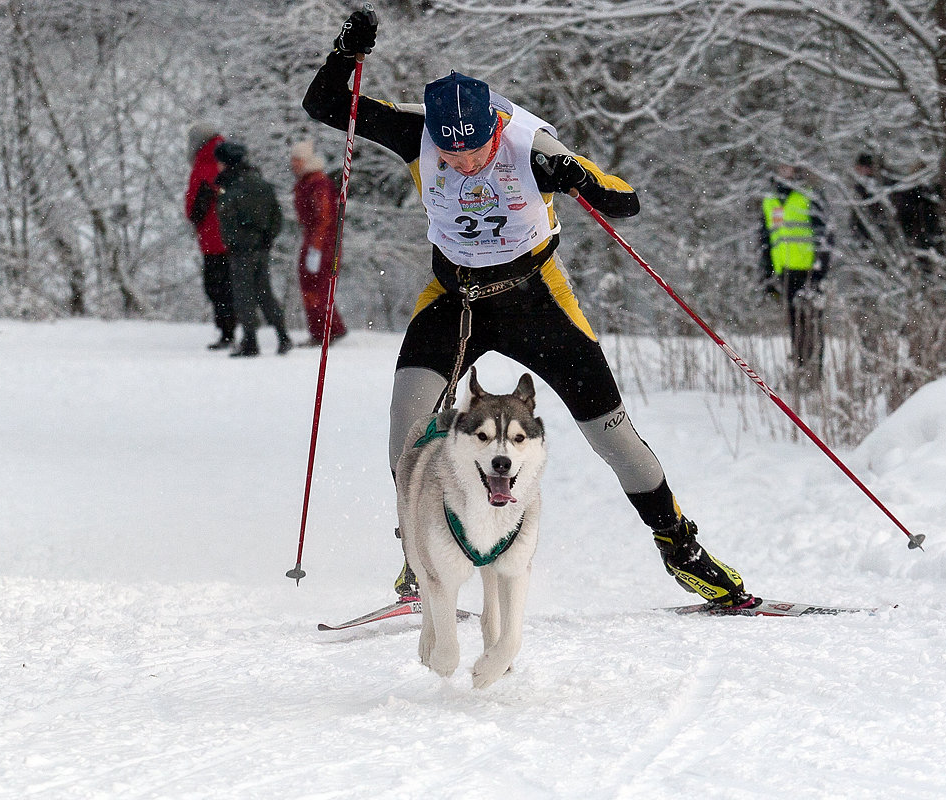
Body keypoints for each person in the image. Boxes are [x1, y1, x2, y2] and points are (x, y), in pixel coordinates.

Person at [302, 10, 751, 607]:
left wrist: (572, 176)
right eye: (451, 152)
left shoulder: (528, 143)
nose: (464, 162)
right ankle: (418, 558)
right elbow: (326, 103)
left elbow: (625, 201)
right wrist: (345, 54)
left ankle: (682, 549)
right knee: (407, 431)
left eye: (476, 149)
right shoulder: (418, 131)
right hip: (453, 300)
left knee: (612, 438)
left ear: (495, 127)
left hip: (535, 299)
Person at [213, 139, 293, 358]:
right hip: (262, 248)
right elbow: (276, 216)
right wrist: (267, 237)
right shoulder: (260, 183)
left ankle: (250, 340)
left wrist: (234, 242)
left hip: (241, 251)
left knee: (243, 294)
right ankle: (282, 335)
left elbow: (228, 222)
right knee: (265, 293)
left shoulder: (232, 188)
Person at [759, 163, 832, 378]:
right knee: (795, 323)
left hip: (810, 271)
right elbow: (766, 240)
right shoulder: (770, 200)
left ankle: (814, 372)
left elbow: (825, 235)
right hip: (785, 272)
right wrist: (768, 275)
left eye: (788, 167)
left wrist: (820, 269)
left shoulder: (809, 196)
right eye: (780, 167)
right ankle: (801, 369)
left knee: (812, 322)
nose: (784, 171)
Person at [290, 140, 348, 347]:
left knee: (315, 285)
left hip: (322, 241)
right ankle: (331, 328)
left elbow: (323, 218)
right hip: (319, 239)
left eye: (297, 160)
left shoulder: (317, 183)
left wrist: (315, 247)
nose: (293, 164)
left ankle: (323, 332)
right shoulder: (308, 182)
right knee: (315, 284)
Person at [185, 122, 237, 350]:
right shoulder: (227, 160)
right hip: (232, 237)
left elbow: (194, 206)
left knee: (217, 286)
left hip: (213, 239)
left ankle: (227, 331)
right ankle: (237, 328)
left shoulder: (203, 165)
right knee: (234, 285)